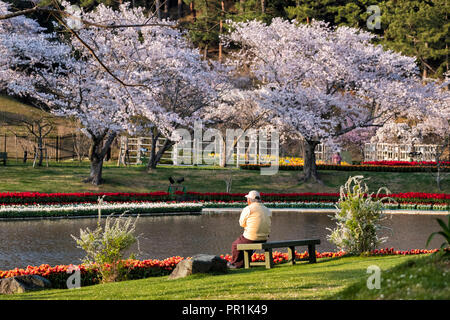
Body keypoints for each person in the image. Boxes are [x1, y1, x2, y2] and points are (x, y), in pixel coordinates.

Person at [228, 190, 272, 269]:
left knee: (235, 245)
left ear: (249, 200)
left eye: (247, 199)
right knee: (244, 243)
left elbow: (242, 224)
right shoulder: (267, 209)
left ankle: (235, 264)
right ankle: (243, 263)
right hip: (264, 238)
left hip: (252, 237)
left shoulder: (248, 209)